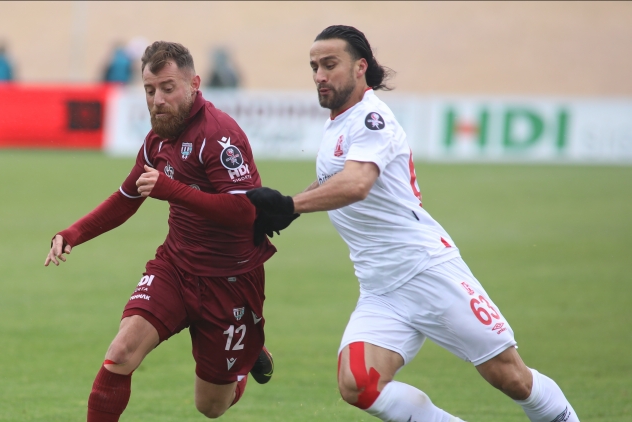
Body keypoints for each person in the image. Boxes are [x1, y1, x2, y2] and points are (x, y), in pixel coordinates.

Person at [246, 25, 580, 422]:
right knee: (358, 384)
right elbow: (336, 177)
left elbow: (357, 184)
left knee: (510, 377)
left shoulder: (371, 118)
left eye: (329, 64)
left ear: (360, 67)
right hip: (380, 286)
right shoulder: (339, 122)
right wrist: (291, 210)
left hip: (426, 270)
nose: (319, 75)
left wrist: (289, 204)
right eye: (314, 66)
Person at [45, 41, 284, 421]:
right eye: (149, 90)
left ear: (194, 84)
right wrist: (72, 233)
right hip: (175, 268)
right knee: (120, 353)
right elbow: (126, 198)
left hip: (230, 280)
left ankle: (246, 357)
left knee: (211, 407)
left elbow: (245, 212)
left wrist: (173, 190)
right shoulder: (158, 139)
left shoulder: (220, 136)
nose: (157, 100)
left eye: (168, 88)